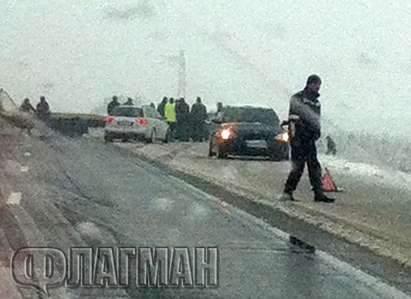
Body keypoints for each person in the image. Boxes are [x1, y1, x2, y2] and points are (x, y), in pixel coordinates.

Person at [282, 75, 335, 203]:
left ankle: (318, 193)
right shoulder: (297, 98)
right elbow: (293, 118)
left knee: (314, 166)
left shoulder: (316, 102)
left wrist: (317, 132)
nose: (318, 87)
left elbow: (316, 119)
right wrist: (295, 137)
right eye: (316, 84)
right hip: (298, 138)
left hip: (309, 139)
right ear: (310, 84)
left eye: (319, 85)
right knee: (298, 167)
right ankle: (287, 192)